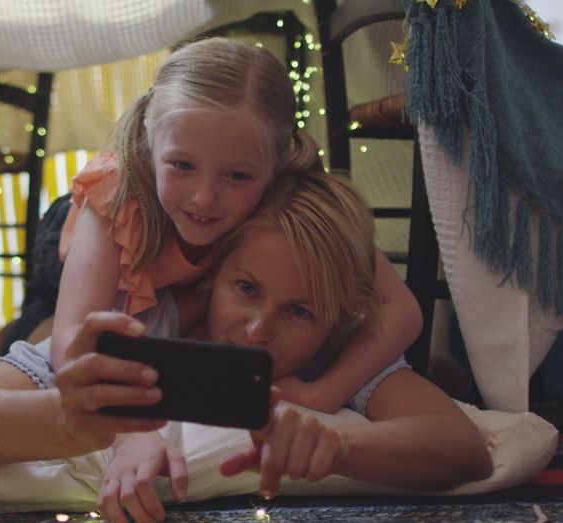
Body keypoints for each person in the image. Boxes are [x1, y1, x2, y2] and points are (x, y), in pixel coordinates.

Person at [0, 169, 493, 523]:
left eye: (300, 311)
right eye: (246, 289)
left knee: (439, 380)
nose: (258, 331)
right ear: (212, 275)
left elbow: (465, 450)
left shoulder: (336, 352)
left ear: (337, 315)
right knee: (33, 329)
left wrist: (339, 443)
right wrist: (77, 424)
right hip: (75, 240)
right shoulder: (146, 321)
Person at [48, 37, 423, 417]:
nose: (204, 197)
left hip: (176, 289)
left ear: (276, 164)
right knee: (38, 333)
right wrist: (127, 429)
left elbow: (403, 309)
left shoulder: (285, 193)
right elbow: (68, 345)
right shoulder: (113, 199)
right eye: (182, 165)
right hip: (81, 245)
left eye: (237, 175)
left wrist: (324, 392)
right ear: (149, 139)